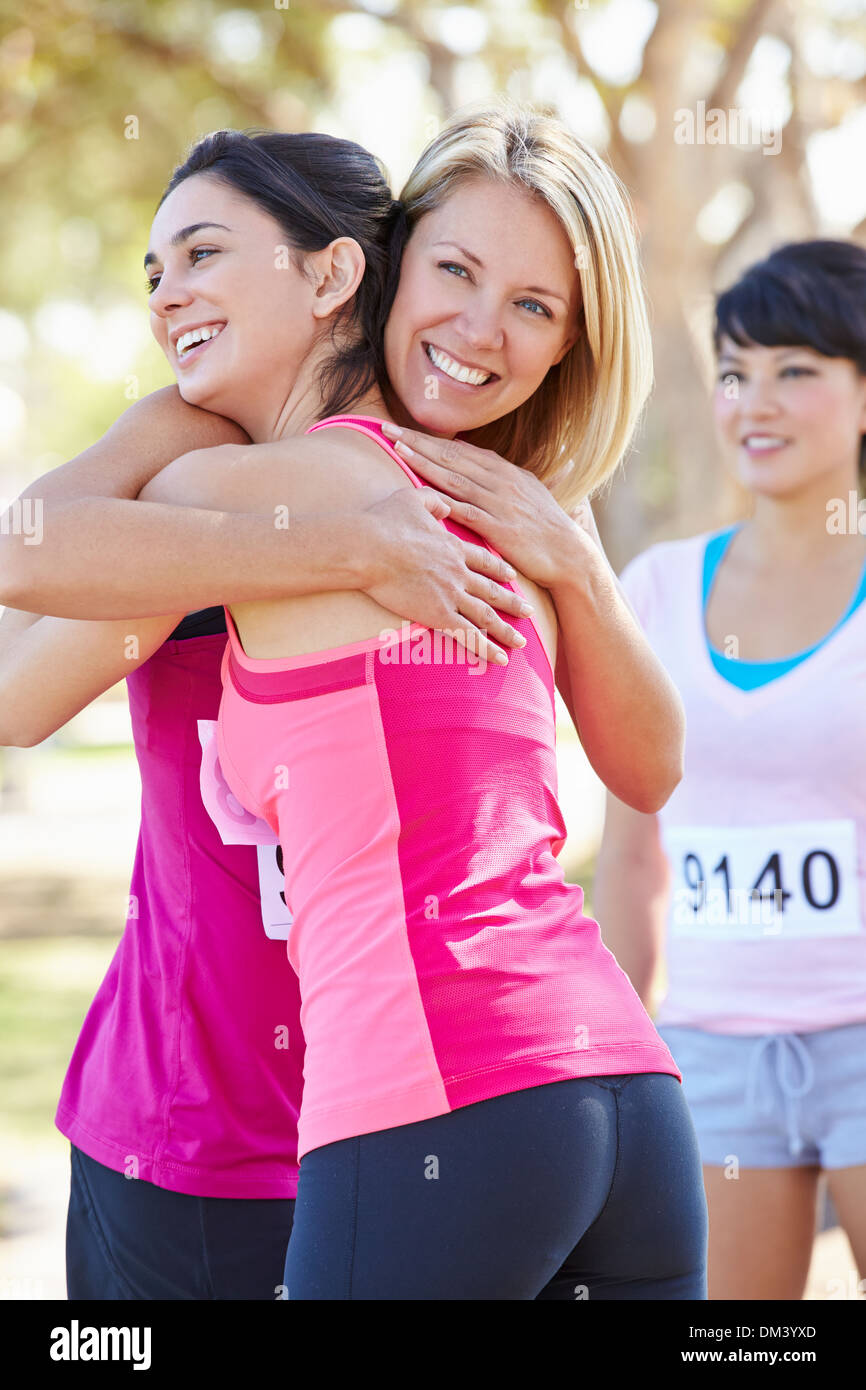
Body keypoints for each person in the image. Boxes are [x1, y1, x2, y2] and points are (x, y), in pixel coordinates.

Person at [138, 104, 706, 1299]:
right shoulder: (515, 506)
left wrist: (172, 418)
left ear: (568, 348)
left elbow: (36, 556)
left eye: (534, 306)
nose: (478, 329)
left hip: (438, 1100)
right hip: (628, 1110)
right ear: (390, 271)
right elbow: (652, 775)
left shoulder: (295, 481)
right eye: (454, 269)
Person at [0, 130, 527, 1301]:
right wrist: (313, 548)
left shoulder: (456, 473)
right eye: (151, 272)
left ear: (332, 275)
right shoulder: (185, 467)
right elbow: (17, 670)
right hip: (192, 1139)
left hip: (417, 1115)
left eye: (199, 252)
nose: (164, 293)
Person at [594, 240, 866, 1300]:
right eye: (734, 371)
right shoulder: (653, 590)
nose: (756, 400)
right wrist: (618, 1074)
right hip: (709, 1053)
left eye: (794, 370)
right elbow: (629, 861)